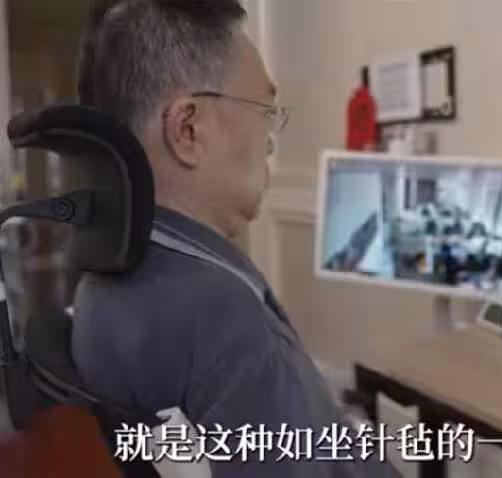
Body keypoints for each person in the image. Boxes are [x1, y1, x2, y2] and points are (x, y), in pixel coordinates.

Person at [71, 1, 400, 477]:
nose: (270, 138)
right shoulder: (222, 315)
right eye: (264, 109)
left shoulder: (99, 287)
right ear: (188, 129)